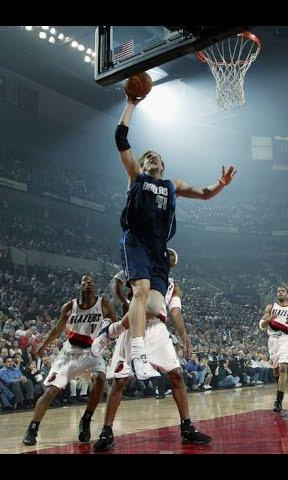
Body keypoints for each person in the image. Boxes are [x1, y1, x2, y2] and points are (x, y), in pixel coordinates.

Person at [113, 92, 236, 381]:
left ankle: (113, 330)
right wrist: (131, 104)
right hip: (136, 240)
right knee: (140, 291)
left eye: (158, 156)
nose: (155, 157)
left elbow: (205, 194)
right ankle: (140, 357)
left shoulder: (172, 185)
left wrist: (220, 185)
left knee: (154, 307)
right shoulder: (136, 177)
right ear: (143, 165)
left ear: (163, 166)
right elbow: (120, 139)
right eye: (149, 157)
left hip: (159, 248)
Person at [91, 249, 211, 451]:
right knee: (120, 381)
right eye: (166, 254)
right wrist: (123, 302)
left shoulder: (173, 285)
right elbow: (115, 282)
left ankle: (187, 427)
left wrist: (184, 336)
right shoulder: (141, 268)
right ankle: (106, 432)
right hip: (134, 326)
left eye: (172, 257)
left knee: (176, 375)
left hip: (158, 328)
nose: (168, 257)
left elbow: (175, 312)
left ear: (173, 264)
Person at [22, 274, 116, 446]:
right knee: (51, 391)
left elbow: (116, 325)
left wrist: (111, 340)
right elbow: (57, 331)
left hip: (91, 353)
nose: (88, 283)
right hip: (69, 354)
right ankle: (32, 428)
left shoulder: (103, 304)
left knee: (101, 379)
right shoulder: (69, 306)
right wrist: (42, 347)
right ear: (78, 286)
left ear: (94, 287)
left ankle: (86, 419)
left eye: (91, 282)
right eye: (85, 281)